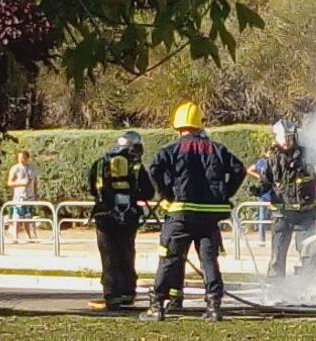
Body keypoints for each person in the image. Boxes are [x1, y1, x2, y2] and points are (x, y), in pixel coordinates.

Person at [143, 102, 245, 321]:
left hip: (180, 213)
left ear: (178, 125)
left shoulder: (171, 150)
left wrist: (166, 193)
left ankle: (156, 306)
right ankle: (213, 307)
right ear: (200, 123)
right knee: (209, 260)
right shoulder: (217, 149)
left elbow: (154, 169)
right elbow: (239, 169)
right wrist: (224, 195)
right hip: (208, 216)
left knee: (169, 259)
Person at [87, 131, 155, 310]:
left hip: (104, 217)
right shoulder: (137, 167)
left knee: (108, 255)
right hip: (129, 216)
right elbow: (148, 192)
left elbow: (93, 189)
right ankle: (127, 292)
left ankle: (112, 295)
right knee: (126, 252)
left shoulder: (100, 164)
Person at [257, 120, 316, 280]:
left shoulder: (307, 156)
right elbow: (266, 181)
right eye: (285, 138)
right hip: (281, 214)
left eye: (290, 138)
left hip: (305, 212)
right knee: (277, 255)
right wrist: (259, 189)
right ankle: (276, 289)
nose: (287, 142)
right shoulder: (273, 160)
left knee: (308, 253)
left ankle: (308, 286)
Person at [6, 150, 39, 243]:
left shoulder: (32, 168)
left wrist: (36, 193)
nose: (20, 160)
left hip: (29, 196)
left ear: (27, 158)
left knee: (28, 217)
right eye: (19, 158)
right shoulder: (15, 168)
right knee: (17, 217)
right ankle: (15, 237)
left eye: (23, 158)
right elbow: (9, 182)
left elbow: (34, 182)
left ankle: (30, 236)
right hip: (19, 197)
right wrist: (21, 183)